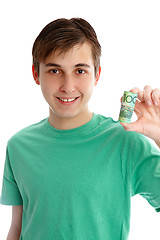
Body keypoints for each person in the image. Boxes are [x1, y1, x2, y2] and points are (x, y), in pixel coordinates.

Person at [0, 17, 160, 240]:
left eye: (80, 71)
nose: (67, 86)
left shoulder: (126, 142)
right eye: (55, 71)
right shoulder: (18, 146)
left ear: (97, 74)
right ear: (36, 74)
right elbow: (17, 228)